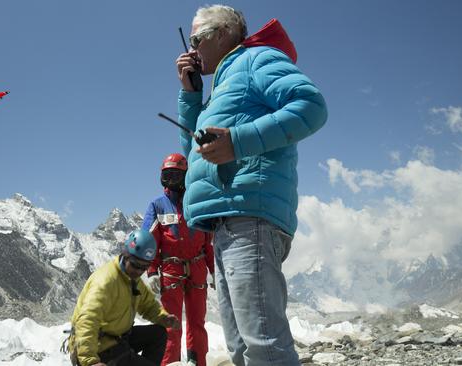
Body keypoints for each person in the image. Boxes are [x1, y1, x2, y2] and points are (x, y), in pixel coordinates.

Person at [174, 5, 328, 366]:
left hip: (249, 216)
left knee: (264, 346)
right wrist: (191, 97)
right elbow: (196, 158)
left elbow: (311, 106)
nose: (191, 50)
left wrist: (238, 142)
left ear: (224, 32)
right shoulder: (223, 84)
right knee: (242, 348)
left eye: (196, 39)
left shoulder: (256, 59)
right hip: (227, 220)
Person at [65, 229, 181, 366]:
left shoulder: (131, 278)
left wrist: (164, 318)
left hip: (117, 338)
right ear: (125, 256)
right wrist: (90, 361)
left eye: (144, 267)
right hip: (98, 347)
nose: (138, 271)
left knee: (158, 334)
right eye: (135, 265)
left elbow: (148, 305)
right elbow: (87, 320)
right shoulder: (106, 282)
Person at [142, 153, 215, 366]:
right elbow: (148, 240)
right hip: (170, 270)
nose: (170, 180)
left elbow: (208, 243)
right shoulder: (157, 206)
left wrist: (214, 271)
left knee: (197, 323)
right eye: (166, 175)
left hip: (198, 267)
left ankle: (197, 362)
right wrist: (152, 270)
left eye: (175, 175)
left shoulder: (198, 205)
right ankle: (170, 364)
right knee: (170, 324)